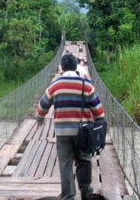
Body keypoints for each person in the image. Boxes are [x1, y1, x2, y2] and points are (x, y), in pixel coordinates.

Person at [36, 54, 105, 200]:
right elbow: (99, 111)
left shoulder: (54, 85)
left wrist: (40, 120)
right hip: (83, 132)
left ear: (61, 67)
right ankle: (86, 192)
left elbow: (42, 107)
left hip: (62, 133)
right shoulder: (86, 85)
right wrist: (98, 125)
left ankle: (68, 196)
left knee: (65, 164)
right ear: (75, 66)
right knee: (84, 160)